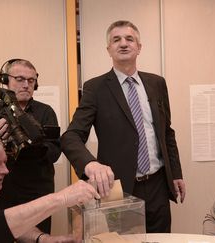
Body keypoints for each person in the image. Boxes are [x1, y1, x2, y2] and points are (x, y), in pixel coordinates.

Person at [60, 20, 186, 233]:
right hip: (119, 189)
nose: (123, 44)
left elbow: (166, 132)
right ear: (108, 49)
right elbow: (70, 136)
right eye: (116, 39)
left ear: (139, 47)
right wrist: (91, 164)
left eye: (129, 39)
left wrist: (175, 173)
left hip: (158, 185)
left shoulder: (157, 83)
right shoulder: (95, 88)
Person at [0, 58, 61, 233]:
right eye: (19, 79)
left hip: (36, 193)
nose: (26, 85)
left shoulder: (46, 112)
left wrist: (35, 145)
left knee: (38, 236)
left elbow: (55, 152)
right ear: (5, 81)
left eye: (31, 80)